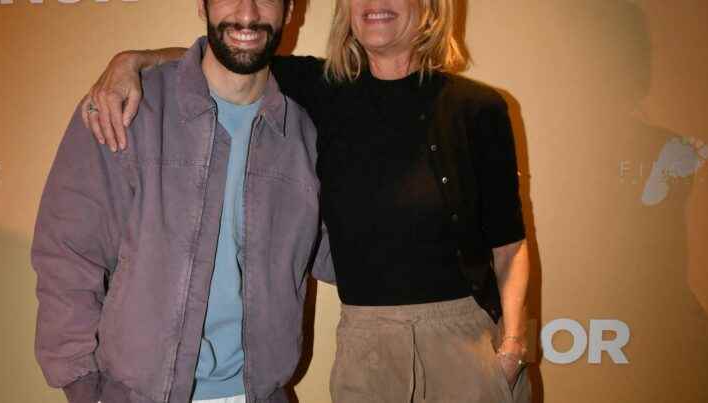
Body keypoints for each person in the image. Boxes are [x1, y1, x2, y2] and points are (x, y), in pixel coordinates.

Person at [83, 0, 532, 402]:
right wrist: (132, 60)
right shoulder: (322, 89)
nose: (375, 4)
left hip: (462, 345)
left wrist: (512, 345)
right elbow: (229, 56)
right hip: (366, 349)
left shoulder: (479, 109)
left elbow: (509, 247)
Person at [31, 1, 334, 403]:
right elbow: (67, 253)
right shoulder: (128, 109)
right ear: (201, 4)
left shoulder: (305, 133)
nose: (247, 11)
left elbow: (337, 253)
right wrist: (82, 384)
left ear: (289, 9)